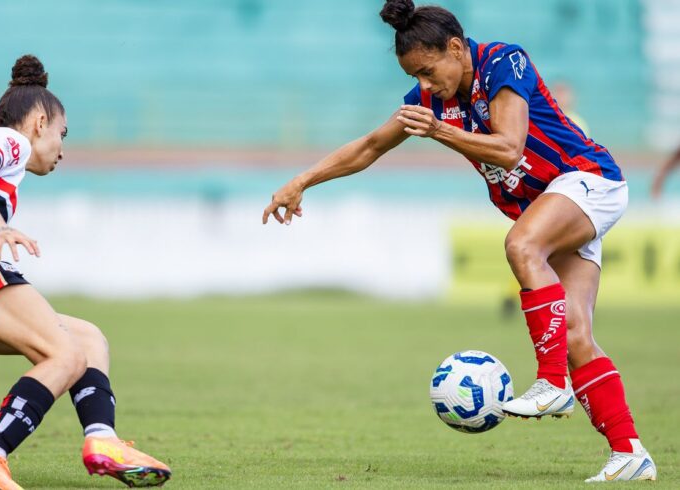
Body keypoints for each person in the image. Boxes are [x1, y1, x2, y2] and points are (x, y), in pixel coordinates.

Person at [262, 0, 655, 483]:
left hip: (586, 180)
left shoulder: (503, 61)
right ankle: (629, 452)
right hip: (553, 207)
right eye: (416, 78)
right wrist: (302, 180)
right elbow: (370, 146)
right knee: (574, 337)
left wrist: (439, 130)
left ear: (454, 48)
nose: (425, 86)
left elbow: (509, 148)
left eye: (428, 72)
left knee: (521, 245)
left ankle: (552, 383)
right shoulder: (432, 101)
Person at [0, 55, 171, 489]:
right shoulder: (12, 140)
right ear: (40, 122)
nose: (61, 149)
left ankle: (103, 440)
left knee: (87, 339)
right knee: (65, 355)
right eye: (62, 134)